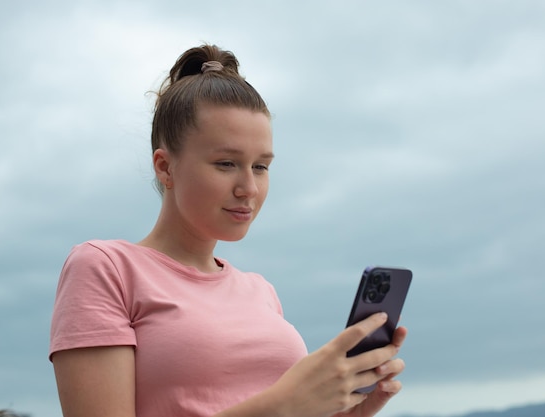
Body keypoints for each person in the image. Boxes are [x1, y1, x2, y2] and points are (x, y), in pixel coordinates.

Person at [49, 44, 407, 417]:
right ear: (165, 167)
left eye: (260, 167)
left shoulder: (261, 292)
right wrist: (285, 404)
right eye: (226, 163)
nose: (248, 188)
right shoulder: (106, 268)